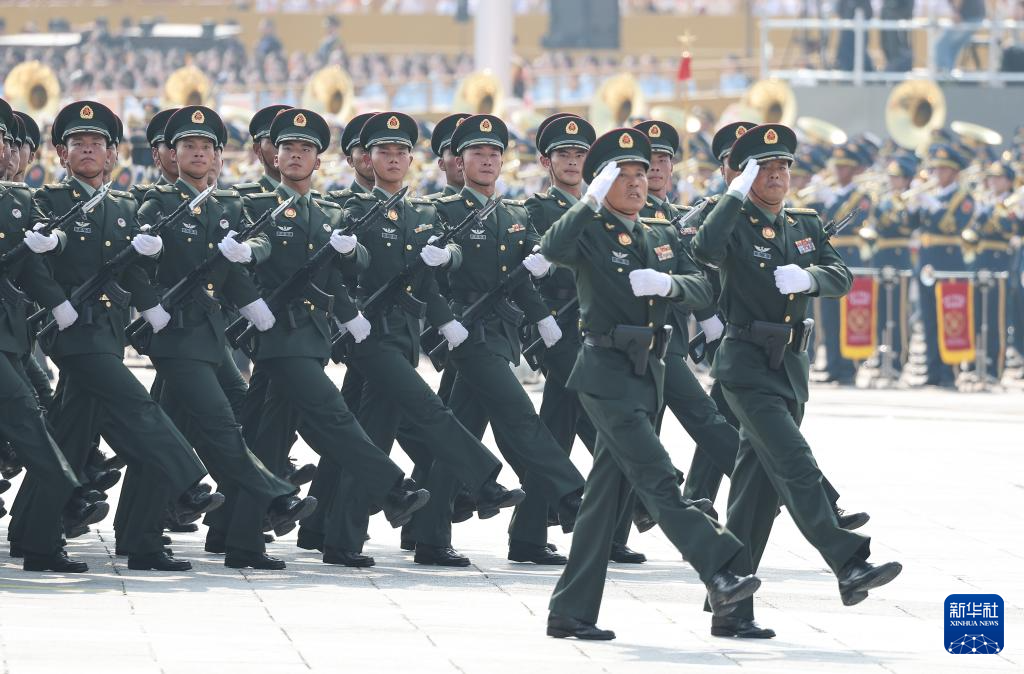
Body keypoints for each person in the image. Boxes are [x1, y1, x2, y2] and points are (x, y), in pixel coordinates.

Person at [542, 127, 761, 641]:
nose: (638, 183)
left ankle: (570, 611)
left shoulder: (660, 233)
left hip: (650, 374)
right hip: (606, 373)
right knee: (659, 478)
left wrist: (669, 284)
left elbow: (702, 286)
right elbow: (553, 247)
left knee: (602, 501)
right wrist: (588, 201)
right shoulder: (590, 230)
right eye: (623, 176)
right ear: (603, 183)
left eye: (641, 174)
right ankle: (720, 567)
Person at [693, 123, 902, 640]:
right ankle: (848, 562)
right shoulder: (731, 219)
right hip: (746, 365)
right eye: (765, 168)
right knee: (795, 463)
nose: (778, 176)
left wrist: (810, 277)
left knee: (754, 498)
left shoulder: (803, 222)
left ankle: (729, 605)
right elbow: (704, 250)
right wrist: (733, 194)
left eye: (783, 167)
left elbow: (841, 275)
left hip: (790, 368)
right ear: (746, 175)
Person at [225, 107, 432, 565]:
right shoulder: (255, 205)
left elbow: (342, 272)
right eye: (288, 148)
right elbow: (252, 250)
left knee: (269, 438)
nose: (296, 155)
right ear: (275, 157)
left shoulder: (325, 211)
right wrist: (250, 298)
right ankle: (393, 488)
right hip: (279, 338)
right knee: (335, 418)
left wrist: (348, 296)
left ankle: (240, 540)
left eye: (306, 149)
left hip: (314, 337)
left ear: (318, 161)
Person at [25, 100, 225, 571]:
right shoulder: (48, 201)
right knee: (139, 409)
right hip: (72, 331)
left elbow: (131, 267)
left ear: (112, 153)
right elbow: (31, 260)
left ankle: (38, 538)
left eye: (97, 143)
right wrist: (55, 300)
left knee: (70, 436)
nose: (88, 150)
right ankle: (189, 482)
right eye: (78, 143)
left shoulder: (121, 205)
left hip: (108, 331)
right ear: (62, 154)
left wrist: (150, 295)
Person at [327, 111, 525, 567]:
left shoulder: (419, 212)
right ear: (367, 158)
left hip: (404, 333)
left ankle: (342, 537)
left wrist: (444, 321)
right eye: (384, 152)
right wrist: (348, 315)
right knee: (429, 410)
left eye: (401, 152)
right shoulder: (351, 210)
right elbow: (333, 270)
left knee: (374, 437)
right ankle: (482, 480)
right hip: (369, 333)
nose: (394, 159)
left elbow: (426, 280)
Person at [133, 105, 317, 570]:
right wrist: (149, 302)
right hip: (176, 336)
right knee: (221, 426)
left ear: (217, 156)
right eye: (188, 146)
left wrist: (254, 305)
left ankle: (140, 533)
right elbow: (129, 263)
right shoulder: (157, 203)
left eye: (206, 147)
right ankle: (275, 497)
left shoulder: (221, 206)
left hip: (212, 337)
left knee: (172, 431)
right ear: (173, 154)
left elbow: (229, 268)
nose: (198, 153)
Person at [0, 96, 107, 573]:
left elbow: (30, 267)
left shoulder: (15, 201)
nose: (5, 150)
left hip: (12, 336)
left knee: (32, 414)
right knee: (28, 415)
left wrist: (56, 303)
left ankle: (46, 528)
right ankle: (73, 490)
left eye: (3, 140)